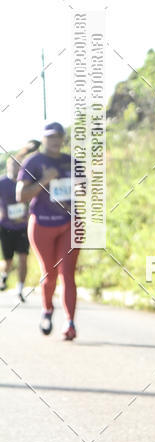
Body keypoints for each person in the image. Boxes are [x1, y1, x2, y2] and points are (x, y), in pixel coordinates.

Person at [16, 122, 80, 340]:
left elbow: (85, 190)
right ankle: (47, 310)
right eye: (50, 136)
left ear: (63, 138)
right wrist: (45, 180)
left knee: (67, 273)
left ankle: (70, 323)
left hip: (69, 223)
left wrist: (76, 196)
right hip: (42, 224)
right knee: (50, 274)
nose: (55, 140)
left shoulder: (71, 162)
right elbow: (21, 196)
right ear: (44, 139)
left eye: (58, 136)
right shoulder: (33, 162)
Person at [0, 155, 31, 301]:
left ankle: (20, 289)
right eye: (12, 165)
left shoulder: (25, 182)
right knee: (8, 261)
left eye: (17, 165)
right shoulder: (2, 182)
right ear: (8, 167)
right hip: (6, 226)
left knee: (23, 258)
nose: (15, 168)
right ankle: (4, 275)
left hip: (22, 227)